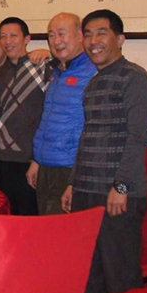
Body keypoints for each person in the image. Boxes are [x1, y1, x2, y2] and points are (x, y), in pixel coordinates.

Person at [62, 9, 147, 293]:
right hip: (87, 191)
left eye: (101, 33)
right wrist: (73, 183)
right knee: (88, 273)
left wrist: (123, 186)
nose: (93, 41)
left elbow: (137, 138)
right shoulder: (95, 82)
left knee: (120, 276)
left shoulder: (135, 79)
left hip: (118, 194)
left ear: (120, 39)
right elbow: (88, 136)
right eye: (88, 34)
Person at [27, 13, 97, 215]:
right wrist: (37, 160)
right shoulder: (58, 71)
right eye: (51, 35)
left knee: (61, 232)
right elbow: (49, 119)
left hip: (70, 170)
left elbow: (93, 130)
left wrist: (76, 180)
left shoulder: (92, 71)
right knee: (44, 228)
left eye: (62, 33)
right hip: (46, 167)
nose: (56, 41)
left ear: (80, 36)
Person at [0, 17, 48, 215]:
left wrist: (48, 53)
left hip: (31, 160)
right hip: (2, 159)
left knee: (30, 218)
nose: (8, 41)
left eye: (13, 36)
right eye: (3, 37)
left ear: (27, 39)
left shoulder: (43, 67)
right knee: (5, 216)